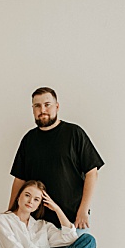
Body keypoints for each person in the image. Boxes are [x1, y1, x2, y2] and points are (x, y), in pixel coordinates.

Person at [9, 87, 103, 233]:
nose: (42, 110)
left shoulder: (74, 133)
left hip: (73, 220)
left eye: (47, 105)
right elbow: (19, 180)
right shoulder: (29, 140)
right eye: (37, 106)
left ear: (57, 106)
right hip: (36, 225)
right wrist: (11, 214)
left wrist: (83, 211)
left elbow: (92, 172)